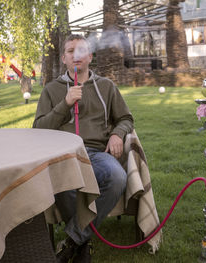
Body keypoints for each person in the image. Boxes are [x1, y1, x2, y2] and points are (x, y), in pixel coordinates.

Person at [33, 34, 134, 263]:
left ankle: (72, 240)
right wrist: (65, 103)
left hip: (97, 153)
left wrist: (118, 134)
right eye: (70, 51)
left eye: (81, 50)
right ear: (64, 58)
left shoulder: (106, 86)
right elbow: (38, 128)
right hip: (64, 155)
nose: (75, 55)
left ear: (90, 56)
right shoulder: (52, 90)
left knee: (118, 176)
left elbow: (126, 118)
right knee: (62, 182)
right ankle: (81, 243)